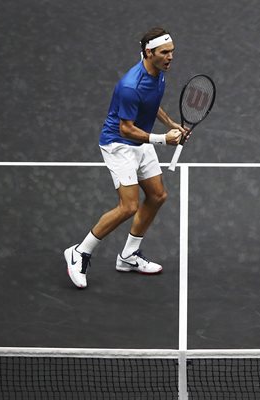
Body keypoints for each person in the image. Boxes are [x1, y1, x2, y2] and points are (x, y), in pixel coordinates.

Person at [64, 27, 187, 289]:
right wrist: (162, 139)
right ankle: (80, 252)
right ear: (148, 52)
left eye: (172, 52)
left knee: (157, 196)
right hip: (119, 145)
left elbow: (152, 105)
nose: (170, 57)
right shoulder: (130, 86)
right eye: (165, 53)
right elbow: (126, 129)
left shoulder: (159, 74)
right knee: (128, 206)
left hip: (141, 141)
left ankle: (129, 256)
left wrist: (170, 124)